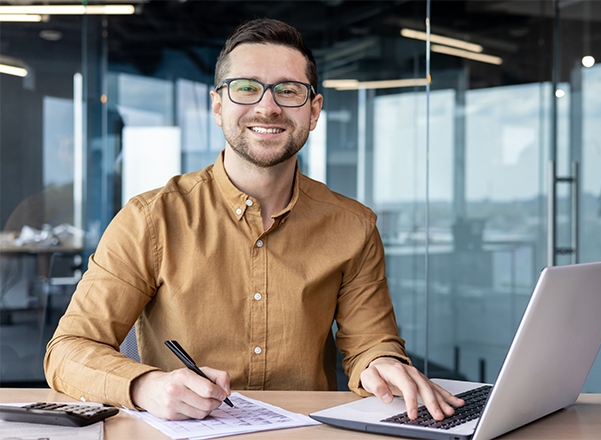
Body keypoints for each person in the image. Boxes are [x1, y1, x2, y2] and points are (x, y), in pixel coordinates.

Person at [44, 18, 463, 422]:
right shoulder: (150, 219)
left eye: (289, 90)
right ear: (218, 105)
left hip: (307, 436)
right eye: (246, 88)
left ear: (313, 111)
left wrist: (381, 363)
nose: (268, 106)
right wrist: (145, 385)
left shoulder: (354, 226)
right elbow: (67, 351)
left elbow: (371, 342)